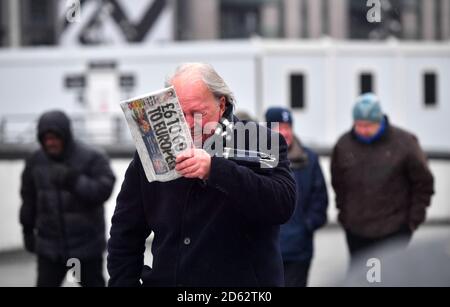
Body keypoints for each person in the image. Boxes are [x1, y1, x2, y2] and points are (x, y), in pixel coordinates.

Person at [107, 63, 296, 287]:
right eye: (180, 112)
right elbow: (125, 232)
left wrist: (215, 170)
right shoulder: (151, 150)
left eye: (197, 113)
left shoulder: (261, 140)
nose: (188, 123)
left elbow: (282, 204)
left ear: (221, 103)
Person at [331, 93, 434, 261]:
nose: (363, 130)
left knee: (384, 280)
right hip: (356, 231)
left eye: (368, 125)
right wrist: (345, 217)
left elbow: (423, 183)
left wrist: (413, 221)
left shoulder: (405, 143)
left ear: (380, 121)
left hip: (393, 231)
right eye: (359, 125)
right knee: (362, 281)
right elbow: (338, 184)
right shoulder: (344, 145)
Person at [19, 110, 116, 287]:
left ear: (66, 135)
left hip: (85, 249)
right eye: (46, 139)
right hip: (50, 249)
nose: (51, 143)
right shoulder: (35, 160)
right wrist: (27, 230)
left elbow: (104, 190)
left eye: (55, 137)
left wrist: (73, 180)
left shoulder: (93, 157)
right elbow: (28, 198)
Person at [265, 107, 328, 287]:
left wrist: (306, 226)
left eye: (288, 127)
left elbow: (320, 199)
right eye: (279, 127)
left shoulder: (309, 159)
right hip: (268, 251)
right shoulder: (257, 159)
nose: (284, 132)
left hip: (299, 250)